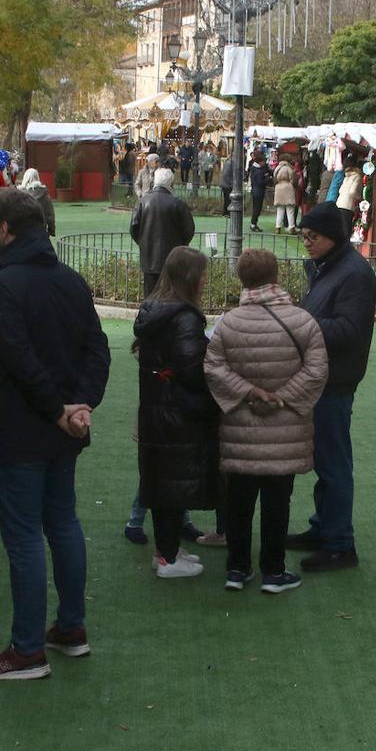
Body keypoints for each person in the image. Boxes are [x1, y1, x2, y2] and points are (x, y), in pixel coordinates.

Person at [0, 188, 111, 681]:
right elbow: (98, 350)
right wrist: (80, 407)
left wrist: (61, 409)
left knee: (26, 536)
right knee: (62, 523)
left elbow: (16, 357)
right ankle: (70, 628)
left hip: (22, 430)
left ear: (5, 230)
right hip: (63, 429)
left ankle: (28, 650)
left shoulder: (7, 286)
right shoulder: (71, 281)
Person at [205, 249, 328, 593]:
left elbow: (213, 368)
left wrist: (249, 393)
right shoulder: (302, 321)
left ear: (241, 279)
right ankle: (273, 571)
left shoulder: (228, 322)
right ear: (276, 276)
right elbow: (317, 370)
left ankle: (237, 568)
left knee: (239, 501)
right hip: (285, 426)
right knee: (278, 500)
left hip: (240, 427)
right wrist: (282, 397)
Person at [286, 201, 376, 572]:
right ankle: (324, 529)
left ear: (332, 237)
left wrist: (302, 325)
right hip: (323, 376)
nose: (306, 243)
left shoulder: (353, 273)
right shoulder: (331, 266)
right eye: (304, 236)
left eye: (313, 237)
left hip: (334, 380)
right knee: (327, 461)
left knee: (334, 464)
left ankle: (340, 544)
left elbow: (349, 330)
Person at [135, 246, 222, 578]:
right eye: (202, 275)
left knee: (163, 482)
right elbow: (190, 367)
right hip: (176, 412)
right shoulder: (184, 316)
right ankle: (168, 557)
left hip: (159, 409)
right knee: (172, 483)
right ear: (191, 278)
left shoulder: (157, 310)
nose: (204, 281)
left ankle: (167, 550)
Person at [130, 167, 195, 297]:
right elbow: (189, 230)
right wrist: (180, 246)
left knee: (150, 298)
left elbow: (134, 228)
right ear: (170, 183)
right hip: (173, 259)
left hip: (149, 259)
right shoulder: (178, 204)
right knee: (171, 297)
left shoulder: (143, 202)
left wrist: (144, 243)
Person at [17, 168, 55, 237]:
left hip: (22, 231)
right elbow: (49, 214)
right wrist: (51, 229)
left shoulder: (19, 195)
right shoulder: (44, 195)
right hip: (40, 230)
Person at [272, 154, 298, 234]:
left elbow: (274, 178)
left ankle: (278, 227)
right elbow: (292, 179)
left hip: (278, 188)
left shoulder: (277, 168)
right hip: (288, 188)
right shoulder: (288, 168)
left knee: (280, 210)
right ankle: (291, 228)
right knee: (290, 210)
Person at [247, 149, 271, 233]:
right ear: (260, 162)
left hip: (256, 191)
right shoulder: (258, 171)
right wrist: (267, 179)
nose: (264, 163)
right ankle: (253, 224)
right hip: (258, 191)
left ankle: (254, 223)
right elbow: (260, 182)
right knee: (257, 208)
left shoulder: (255, 168)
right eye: (263, 161)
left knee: (256, 208)